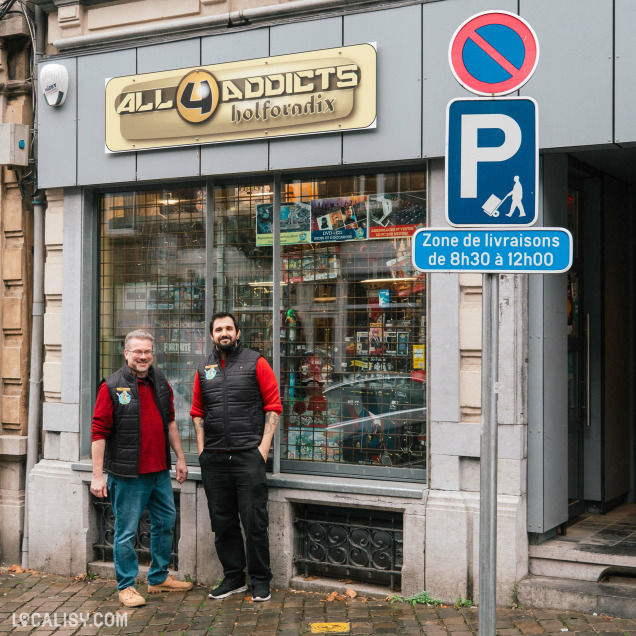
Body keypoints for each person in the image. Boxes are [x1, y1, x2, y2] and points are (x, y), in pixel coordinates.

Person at [90, 329, 193, 608]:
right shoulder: (111, 386)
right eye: (137, 351)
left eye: (147, 351)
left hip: (159, 470)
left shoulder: (161, 382)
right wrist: (97, 476)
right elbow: (98, 432)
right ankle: (126, 586)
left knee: (165, 522)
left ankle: (158, 578)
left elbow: (170, 423)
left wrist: (180, 458)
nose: (143, 356)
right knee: (125, 531)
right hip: (127, 474)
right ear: (126, 354)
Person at [191, 312, 282, 603]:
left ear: (238, 333)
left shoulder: (257, 362)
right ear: (212, 336)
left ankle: (260, 581)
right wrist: (202, 450)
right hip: (215, 459)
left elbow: (273, 406)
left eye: (229, 328)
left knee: (255, 523)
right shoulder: (204, 368)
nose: (224, 333)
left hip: (248, 456)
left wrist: (262, 450)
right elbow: (197, 411)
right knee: (223, 523)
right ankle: (233, 577)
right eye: (219, 329)